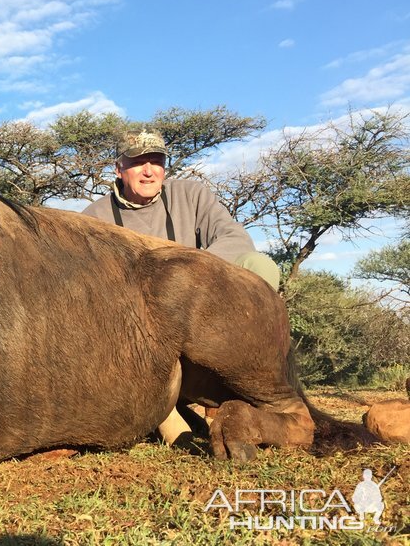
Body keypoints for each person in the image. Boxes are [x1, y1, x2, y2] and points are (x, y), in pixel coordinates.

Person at [82, 129, 280, 445]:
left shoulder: (192, 195)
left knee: (260, 266)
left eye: (156, 161)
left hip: (202, 318)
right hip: (140, 335)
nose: (149, 170)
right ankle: (168, 416)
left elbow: (237, 240)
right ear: (119, 169)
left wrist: (189, 276)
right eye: (138, 162)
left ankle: (255, 386)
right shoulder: (95, 217)